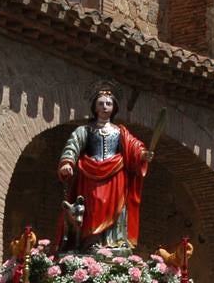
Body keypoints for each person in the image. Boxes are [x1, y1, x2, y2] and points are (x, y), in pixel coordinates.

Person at [55, 86, 152, 250]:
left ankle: (115, 242)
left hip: (116, 174)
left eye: (108, 104)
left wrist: (142, 155)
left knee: (118, 207)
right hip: (90, 174)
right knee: (93, 205)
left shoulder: (120, 131)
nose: (104, 107)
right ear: (95, 107)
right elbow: (73, 146)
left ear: (114, 107)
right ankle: (91, 242)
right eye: (101, 104)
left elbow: (134, 146)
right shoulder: (85, 130)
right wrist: (67, 163)